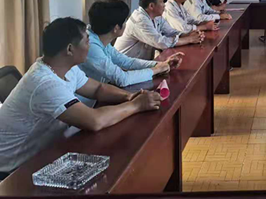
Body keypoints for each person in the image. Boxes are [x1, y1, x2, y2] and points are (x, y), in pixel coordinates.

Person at [0, 18, 161, 177]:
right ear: (70, 49)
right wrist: (137, 105)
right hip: (13, 170)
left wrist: (129, 96)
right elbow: (94, 121)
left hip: (44, 153)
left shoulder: (65, 68)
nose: (89, 46)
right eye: (86, 41)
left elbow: (98, 89)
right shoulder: (45, 83)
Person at [81, 0, 184, 87]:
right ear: (116, 28)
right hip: (87, 102)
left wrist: (159, 64)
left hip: (101, 92)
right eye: (125, 21)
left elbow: (126, 62)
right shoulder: (91, 46)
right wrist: (156, 70)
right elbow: (122, 79)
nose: (126, 24)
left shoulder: (100, 39)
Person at [115, 0, 204, 60]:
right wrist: (189, 39)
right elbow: (160, 42)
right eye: (161, 2)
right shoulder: (140, 20)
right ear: (151, 6)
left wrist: (189, 34)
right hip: (124, 67)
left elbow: (171, 32)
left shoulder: (157, 16)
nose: (164, 5)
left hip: (139, 63)